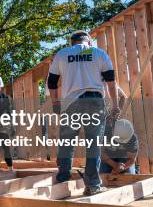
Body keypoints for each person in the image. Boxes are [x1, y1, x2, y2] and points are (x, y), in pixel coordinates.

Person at [48, 30, 119, 196]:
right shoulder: (99, 53)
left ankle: (63, 179)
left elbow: (51, 82)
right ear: (89, 42)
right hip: (95, 102)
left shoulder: (63, 54)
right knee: (93, 144)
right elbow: (111, 82)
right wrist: (115, 105)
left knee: (66, 142)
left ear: (72, 43)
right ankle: (93, 185)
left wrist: (55, 103)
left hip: (71, 103)